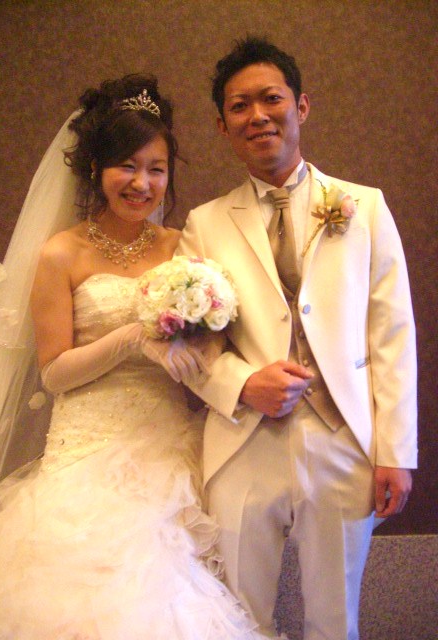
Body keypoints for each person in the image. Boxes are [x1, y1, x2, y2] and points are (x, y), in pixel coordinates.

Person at [0, 74, 268, 639]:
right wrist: (132, 337)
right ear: (97, 168)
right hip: (85, 450)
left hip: (171, 449)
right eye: (128, 166)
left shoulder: (181, 247)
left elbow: (216, 336)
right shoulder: (61, 254)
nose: (143, 183)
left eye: (157, 169)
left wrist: (201, 343)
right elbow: (54, 372)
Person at [177, 36, 417, 640]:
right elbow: (184, 341)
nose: (258, 115)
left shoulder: (364, 208)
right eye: (239, 106)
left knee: (335, 619)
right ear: (223, 125)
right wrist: (241, 383)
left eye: (271, 98)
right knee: (238, 616)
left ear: (301, 106)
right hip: (241, 443)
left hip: (343, 440)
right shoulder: (205, 223)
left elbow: (391, 333)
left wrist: (396, 450)